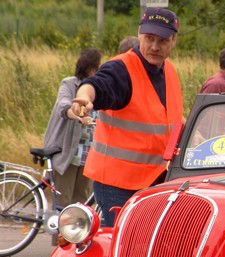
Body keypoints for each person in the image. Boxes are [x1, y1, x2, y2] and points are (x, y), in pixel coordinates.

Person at [69, 8, 184, 227]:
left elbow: (169, 117)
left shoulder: (169, 71)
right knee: (124, 249)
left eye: (162, 40)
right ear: (139, 35)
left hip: (155, 180)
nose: (154, 47)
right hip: (118, 185)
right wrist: (84, 96)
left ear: (174, 41)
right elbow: (97, 85)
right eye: (149, 39)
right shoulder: (121, 69)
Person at [43, 48, 102, 208]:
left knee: (82, 206)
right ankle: (59, 234)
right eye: (98, 67)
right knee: (63, 204)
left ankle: (78, 234)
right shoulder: (69, 83)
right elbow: (63, 106)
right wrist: (78, 116)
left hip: (88, 156)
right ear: (91, 68)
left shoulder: (98, 89)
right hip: (67, 154)